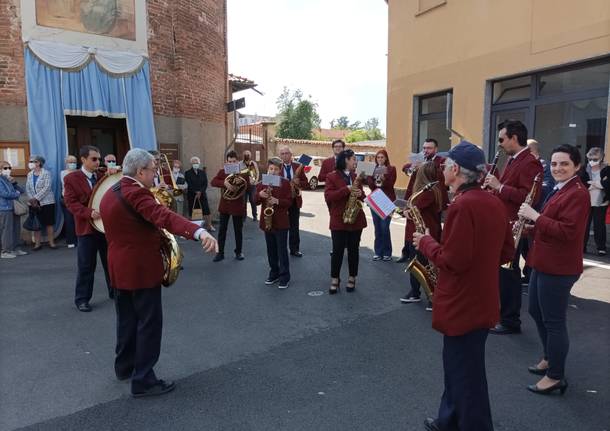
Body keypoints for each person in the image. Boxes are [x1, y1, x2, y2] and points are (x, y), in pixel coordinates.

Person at [99, 148, 218, 398]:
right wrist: (199, 231)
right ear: (140, 171)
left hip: (118, 267)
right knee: (149, 325)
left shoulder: (111, 191)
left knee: (126, 321)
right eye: (153, 169)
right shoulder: (137, 194)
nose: (155, 174)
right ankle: (143, 380)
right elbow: (163, 216)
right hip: (140, 269)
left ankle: (124, 367)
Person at [413, 141, 514, 431]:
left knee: (466, 375)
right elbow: (507, 252)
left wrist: (426, 241)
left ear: (456, 169)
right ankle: (449, 420)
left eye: (446, 165)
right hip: (481, 301)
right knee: (459, 369)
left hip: (462, 304)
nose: (443, 168)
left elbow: (452, 260)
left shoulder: (462, 206)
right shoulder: (494, 202)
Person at [517, 144, 590, 395]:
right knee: (536, 311)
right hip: (542, 261)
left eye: (565, 164)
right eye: (555, 164)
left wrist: (535, 217)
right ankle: (550, 357)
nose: (558, 168)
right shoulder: (561, 189)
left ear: (577, 167)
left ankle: (555, 376)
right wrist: (528, 227)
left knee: (554, 321)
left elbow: (568, 232)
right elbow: (552, 225)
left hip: (558, 267)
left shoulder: (578, 193)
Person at [483, 119, 543, 335]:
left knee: (508, 274)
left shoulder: (529, 162)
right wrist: (492, 192)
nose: (500, 144)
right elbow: (510, 191)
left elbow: (529, 198)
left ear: (514, 138)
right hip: (504, 222)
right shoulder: (515, 160)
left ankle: (510, 320)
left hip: (514, 226)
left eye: (502, 139)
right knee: (502, 273)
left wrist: (499, 187)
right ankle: (502, 314)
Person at [64, 146, 113, 312]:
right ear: (83, 159)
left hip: (104, 228)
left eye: (99, 159)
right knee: (86, 266)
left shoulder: (102, 176)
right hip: (86, 229)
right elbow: (71, 203)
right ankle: (82, 299)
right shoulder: (72, 179)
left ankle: (115, 292)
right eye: (94, 159)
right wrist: (88, 213)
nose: (97, 162)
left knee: (111, 263)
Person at [400, 161, 444, 311]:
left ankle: (431, 296)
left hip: (422, 232)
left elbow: (414, 208)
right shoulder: (433, 190)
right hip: (421, 231)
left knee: (424, 265)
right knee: (421, 264)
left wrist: (406, 211)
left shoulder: (429, 193)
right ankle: (416, 292)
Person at [397, 138, 448, 263]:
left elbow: (440, 175)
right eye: (424, 148)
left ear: (436, 149)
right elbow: (405, 167)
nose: (426, 150)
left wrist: (423, 166)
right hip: (414, 195)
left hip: (430, 198)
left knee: (431, 225)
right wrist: (412, 167)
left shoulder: (440, 161)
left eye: (429, 148)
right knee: (410, 226)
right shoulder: (421, 159)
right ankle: (407, 252)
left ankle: (430, 252)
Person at [324, 149, 367, 294]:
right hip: (339, 219)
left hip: (356, 219)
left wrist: (361, 194)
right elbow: (329, 196)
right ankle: (335, 278)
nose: (356, 162)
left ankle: (352, 277)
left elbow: (362, 195)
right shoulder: (332, 176)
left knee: (354, 250)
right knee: (337, 250)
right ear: (346, 160)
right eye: (354, 159)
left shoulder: (356, 176)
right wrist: (346, 189)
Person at [255, 157, 293, 289]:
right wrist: (259, 194)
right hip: (267, 221)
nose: (272, 172)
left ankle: (284, 276)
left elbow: (289, 202)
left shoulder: (285, 183)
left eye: (276, 170)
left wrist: (277, 201)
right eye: (271, 169)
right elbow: (255, 202)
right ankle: (274, 273)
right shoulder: (262, 183)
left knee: (282, 250)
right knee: (270, 250)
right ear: (267, 169)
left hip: (281, 222)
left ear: (280, 171)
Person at [211, 150, 250, 262]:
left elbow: (248, 188)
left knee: (238, 230)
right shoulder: (223, 171)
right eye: (229, 161)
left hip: (237, 205)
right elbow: (213, 182)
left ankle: (238, 252)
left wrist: (239, 183)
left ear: (237, 161)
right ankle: (220, 253)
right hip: (225, 205)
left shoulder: (243, 172)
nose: (231, 163)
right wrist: (225, 183)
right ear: (226, 162)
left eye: (234, 161)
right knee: (222, 230)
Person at [278, 145, 309, 257]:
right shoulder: (276, 167)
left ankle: (294, 249)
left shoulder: (298, 166)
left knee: (294, 226)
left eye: (287, 153)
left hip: (295, 200)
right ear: (280, 156)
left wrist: (298, 182)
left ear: (291, 155)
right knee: (281, 226)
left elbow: (306, 183)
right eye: (282, 153)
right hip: (281, 201)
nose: (285, 155)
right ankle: (281, 249)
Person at [367, 149, 396, 261]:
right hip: (375, 199)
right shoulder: (372, 168)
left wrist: (384, 178)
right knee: (377, 227)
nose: (380, 159)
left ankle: (387, 252)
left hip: (387, 200)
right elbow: (370, 185)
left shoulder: (391, 169)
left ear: (386, 158)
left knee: (385, 227)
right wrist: (373, 178)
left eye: (382, 157)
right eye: (378, 157)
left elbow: (391, 184)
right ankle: (378, 252)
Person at [582, 147, 609, 256]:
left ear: (601, 158)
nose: (592, 161)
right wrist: (597, 184)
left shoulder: (607, 169)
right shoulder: (584, 169)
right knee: (584, 225)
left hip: (601, 201)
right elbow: (583, 183)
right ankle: (581, 246)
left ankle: (601, 248)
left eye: (595, 159)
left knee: (599, 225)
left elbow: (607, 185)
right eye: (590, 159)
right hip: (586, 201)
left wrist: (594, 183)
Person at [26, 154, 56, 250]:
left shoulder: (46, 173)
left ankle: (51, 242)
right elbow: (28, 187)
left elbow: (47, 187)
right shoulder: (29, 174)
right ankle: (37, 244)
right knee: (36, 223)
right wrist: (32, 199)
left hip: (47, 202)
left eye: (32, 161)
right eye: (30, 161)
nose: (30, 163)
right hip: (33, 203)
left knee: (49, 223)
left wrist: (36, 198)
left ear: (38, 163)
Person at [0, 161, 27, 258]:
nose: (8, 170)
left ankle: (15, 248)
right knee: (6, 230)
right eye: (5, 168)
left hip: (13, 207)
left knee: (16, 228)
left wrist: (14, 183)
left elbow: (22, 190)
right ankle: (5, 251)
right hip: (4, 208)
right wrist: (16, 194)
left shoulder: (8, 179)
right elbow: (4, 194)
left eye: (9, 168)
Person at [184, 156, 213, 231]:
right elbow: (189, 184)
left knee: (206, 210)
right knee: (192, 211)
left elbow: (205, 183)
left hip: (202, 194)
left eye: (196, 162)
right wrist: (196, 192)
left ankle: (209, 225)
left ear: (199, 163)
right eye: (194, 163)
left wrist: (200, 191)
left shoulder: (202, 172)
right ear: (191, 164)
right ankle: (194, 228)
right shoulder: (187, 173)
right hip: (192, 195)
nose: (195, 164)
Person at [60, 155, 78, 248]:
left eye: (74, 162)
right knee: (69, 220)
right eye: (70, 162)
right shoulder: (62, 173)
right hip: (66, 199)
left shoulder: (79, 172)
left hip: (78, 199)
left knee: (78, 220)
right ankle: (70, 240)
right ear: (66, 163)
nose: (72, 164)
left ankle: (79, 239)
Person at [243, 150, 260, 221]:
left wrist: (256, 181)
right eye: (246, 154)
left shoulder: (253, 163)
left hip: (252, 185)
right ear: (244, 155)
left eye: (248, 154)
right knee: (243, 201)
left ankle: (255, 216)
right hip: (243, 186)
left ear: (250, 156)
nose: (247, 155)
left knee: (253, 200)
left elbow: (257, 172)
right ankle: (244, 217)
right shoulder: (241, 163)